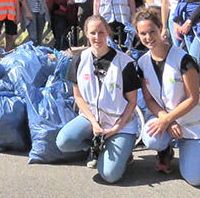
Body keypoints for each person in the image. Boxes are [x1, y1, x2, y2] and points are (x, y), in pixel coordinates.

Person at [55, 15, 140, 184]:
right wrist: (94, 123)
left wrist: (116, 128)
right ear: (86, 33)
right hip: (91, 119)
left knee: (109, 175)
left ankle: (124, 151)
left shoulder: (125, 63)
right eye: (93, 32)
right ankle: (96, 148)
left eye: (101, 32)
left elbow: (132, 102)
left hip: (120, 124)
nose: (97, 37)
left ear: (108, 33)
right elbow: (78, 96)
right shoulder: (80, 58)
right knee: (64, 142)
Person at [134, 8, 200, 186]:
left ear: (161, 28)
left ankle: (189, 148)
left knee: (196, 179)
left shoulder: (183, 59)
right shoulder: (142, 63)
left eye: (152, 31)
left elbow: (193, 99)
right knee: (152, 138)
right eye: (143, 33)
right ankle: (165, 149)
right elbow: (149, 100)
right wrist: (166, 120)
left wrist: (169, 119)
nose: (148, 37)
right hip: (167, 121)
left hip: (191, 124)